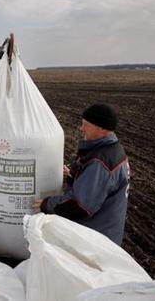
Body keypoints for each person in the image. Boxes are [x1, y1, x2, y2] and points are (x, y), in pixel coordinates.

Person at [33, 103, 130, 245]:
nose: (81, 128)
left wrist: (47, 204)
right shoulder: (112, 150)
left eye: (86, 125)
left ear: (102, 128)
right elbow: (97, 186)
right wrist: (74, 176)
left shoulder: (100, 162)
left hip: (95, 241)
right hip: (106, 232)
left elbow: (79, 205)